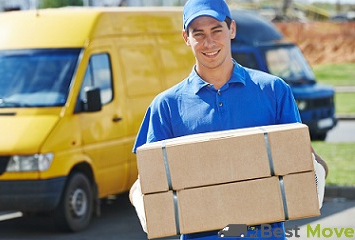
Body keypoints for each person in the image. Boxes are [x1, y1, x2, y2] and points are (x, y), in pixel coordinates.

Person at [129, 0, 328, 239]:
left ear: (232, 29)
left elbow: (303, 162)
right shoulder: (166, 105)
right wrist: (144, 205)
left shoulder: (273, 90)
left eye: (216, 30)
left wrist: (316, 172)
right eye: (198, 34)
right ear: (186, 37)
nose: (209, 42)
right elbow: (146, 182)